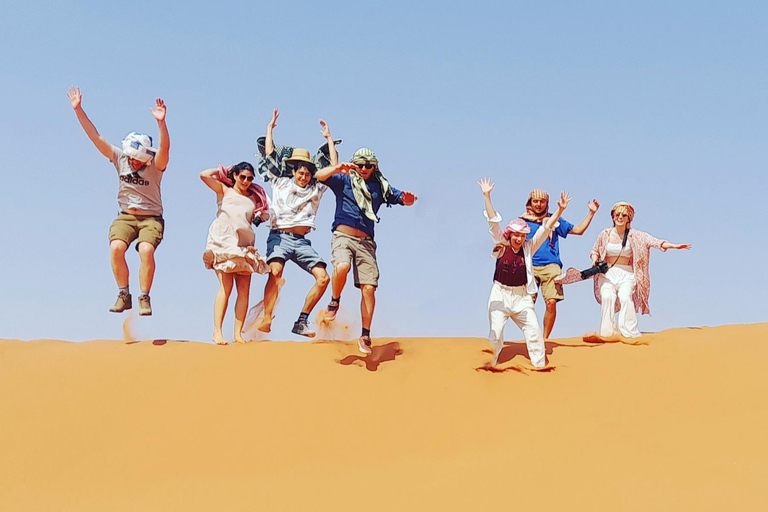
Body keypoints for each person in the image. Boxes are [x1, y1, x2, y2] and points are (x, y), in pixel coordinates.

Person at [67, 86, 170, 316]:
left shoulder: (156, 166)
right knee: (116, 248)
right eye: (131, 159)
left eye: (137, 160)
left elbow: (165, 149)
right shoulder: (119, 157)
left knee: (145, 250)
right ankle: (124, 294)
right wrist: (78, 110)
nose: (133, 163)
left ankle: (144, 297)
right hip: (125, 215)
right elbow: (96, 136)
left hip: (151, 218)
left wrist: (162, 123)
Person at [316, 148, 417, 354]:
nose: (363, 169)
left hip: (366, 243)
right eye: (360, 165)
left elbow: (401, 199)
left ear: (374, 167)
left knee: (369, 289)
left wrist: (409, 200)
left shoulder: (380, 186)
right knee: (342, 266)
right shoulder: (343, 180)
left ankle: (365, 335)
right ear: (354, 164)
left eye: (368, 166)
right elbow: (319, 176)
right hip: (343, 236)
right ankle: (335, 301)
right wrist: (337, 167)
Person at [254, 109, 340, 337]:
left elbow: (334, 166)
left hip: (301, 241)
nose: (303, 176)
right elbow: (270, 154)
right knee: (276, 271)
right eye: (300, 172)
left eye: (306, 173)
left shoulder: (316, 188)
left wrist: (329, 139)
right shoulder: (280, 182)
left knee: (323, 278)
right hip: (279, 237)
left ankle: (301, 321)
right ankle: (266, 317)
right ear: (293, 171)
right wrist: (270, 128)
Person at [478, 178, 571, 368]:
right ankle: (489, 365)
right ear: (510, 234)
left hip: (522, 298)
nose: (519, 238)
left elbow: (545, 229)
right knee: (495, 334)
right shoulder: (502, 244)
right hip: (500, 295)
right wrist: (487, 196)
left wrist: (560, 211)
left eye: (523, 235)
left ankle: (540, 367)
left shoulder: (529, 247)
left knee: (535, 333)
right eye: (516, 234)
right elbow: (493, 221)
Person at [588, 202, 691, 339]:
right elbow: (594, 250)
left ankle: (630, 333)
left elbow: (654, 241)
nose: (620, 217)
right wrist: (594, 260)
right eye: (617, 214)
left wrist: (674, 246)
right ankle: (608, 333)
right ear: (613, 216)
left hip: (627, 274)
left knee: (625, 297)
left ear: (628, 218)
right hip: (607, 274)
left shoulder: (635, 235)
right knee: (608, 297)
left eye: (624, 215)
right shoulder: (605, 234)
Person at [200, 163, 270, 345]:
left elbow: (265, 214)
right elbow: (204, 175)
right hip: (223, 242)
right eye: (242, 177)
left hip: (245, 244)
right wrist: (223, 170)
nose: (246, 181)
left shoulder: (255, 197)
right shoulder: (225, 190)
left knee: (244, 291)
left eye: (250, 178)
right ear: (236, 176)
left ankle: (238, 334)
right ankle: (217, 332)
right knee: (226, 288)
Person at [521, 190, 600, 339]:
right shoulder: (522, 222)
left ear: (547, 203)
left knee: (551, 302)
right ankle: (532, 338)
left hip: (551, 266)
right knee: (526, 305)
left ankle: (544, 339)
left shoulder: (554, 219)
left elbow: (578, 230)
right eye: (535, 201)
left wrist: (591, 213)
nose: (538, 205)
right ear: (530, 202)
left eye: (542, 201)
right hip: (528, 266)